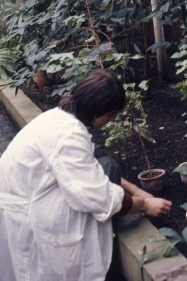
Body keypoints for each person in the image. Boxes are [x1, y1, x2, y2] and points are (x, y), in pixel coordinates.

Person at [0, 69, 172, 280]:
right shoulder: (68, 136)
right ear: (104, 111)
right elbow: (97, 196)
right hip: (28, 212)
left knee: (106, 164)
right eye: (111, 114)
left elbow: (88, 165)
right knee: (107, 173)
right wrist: (144, 205)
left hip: (26, 196)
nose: (112, 119)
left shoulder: (58, 116)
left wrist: (137, 190)